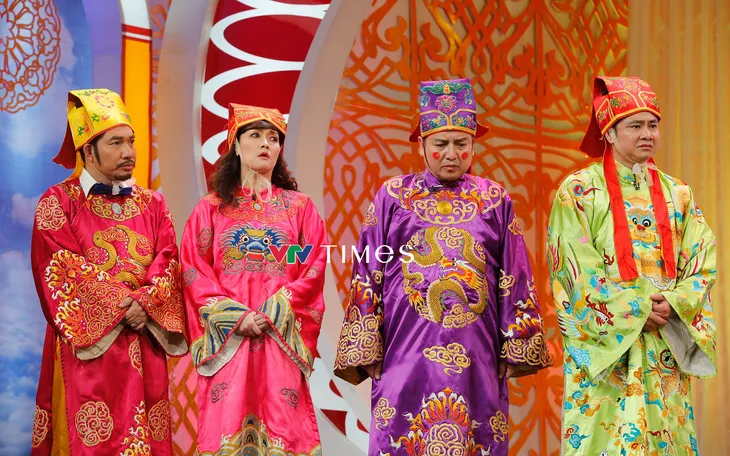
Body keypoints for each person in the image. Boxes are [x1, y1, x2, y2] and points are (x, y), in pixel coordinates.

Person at [333, 78, 553, 456]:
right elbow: (368, 268)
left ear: (473, 144)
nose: (451, 154)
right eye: (441, 144)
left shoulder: (493, 199)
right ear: (421, 144)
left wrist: (516, 345)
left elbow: (514, 273)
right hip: (405, 348)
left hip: (477, 351)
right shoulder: (394, 196)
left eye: (461, 143)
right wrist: (367, 345)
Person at [547, 76, 717, 455]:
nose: (647, 134)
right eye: (635, 126)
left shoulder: (678, 193)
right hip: (608, 349)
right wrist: (637, 306)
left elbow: (702, 259)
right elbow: (572, 270)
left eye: (653, 125)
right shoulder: (579, 191)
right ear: (608, 132)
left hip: (664, 341)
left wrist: (675, 302)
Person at [30, 88, 188, 455]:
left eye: (131, 141)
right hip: (87, 348)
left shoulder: (153, 203)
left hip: (145, 341)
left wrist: (146, 302)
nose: (129, 152)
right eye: (116, 143)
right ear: (88, 150)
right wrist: (125, 306)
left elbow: (169, 259)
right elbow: (60, 267)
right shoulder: (58, 202)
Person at [181, 104, 327, 455]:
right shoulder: (211, 208)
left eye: (273, 138)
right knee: (227, 424)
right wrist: (236, 317)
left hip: (279, 336)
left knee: (284, 429)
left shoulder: (299, 208)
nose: (265, 144)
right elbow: (193, 269)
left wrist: (274, 310)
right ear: (235, 144)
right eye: (255, 135)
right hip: (230, 341)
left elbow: (312, 265)